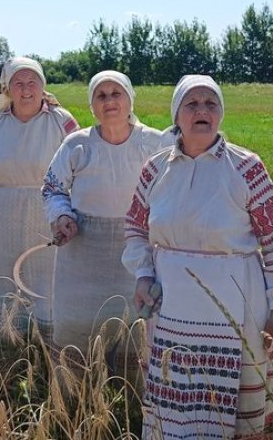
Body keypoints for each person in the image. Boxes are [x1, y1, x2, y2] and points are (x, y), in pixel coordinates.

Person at [122, 74, 273, 439]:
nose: (202, 111)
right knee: (176, 401)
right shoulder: (155, 169)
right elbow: (136, 228)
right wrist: (142, 274)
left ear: (220, 113)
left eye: (210, 104)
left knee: (233, 407)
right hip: (171, 309)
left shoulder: (247, 168)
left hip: (236, 309)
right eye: (192, 104)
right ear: (177, 114)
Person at [42, 70, 164, 367]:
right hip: (82, 252)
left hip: (136, 251)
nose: (109, 101)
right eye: (101, 95)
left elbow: (171, 191)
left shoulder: (154, 144)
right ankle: (75, 399)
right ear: (92, 105)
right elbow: (52, 188)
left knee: (133, 328)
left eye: (116, 94)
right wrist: (61, 216)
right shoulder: (76, 145)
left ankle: (130, 402)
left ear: (130, 99)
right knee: (77, 329)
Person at [0, 57, 78, 338]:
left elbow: (80, 169)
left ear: (43, 87)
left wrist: (73, 216)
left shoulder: (61, 121)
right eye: (18, 83)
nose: (26, 89)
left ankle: (47, 338)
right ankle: (6, 339)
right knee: (5, 276)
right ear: (7, 88)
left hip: (48, 213)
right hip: (4, 214)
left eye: (32, 82)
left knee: (46, 276)